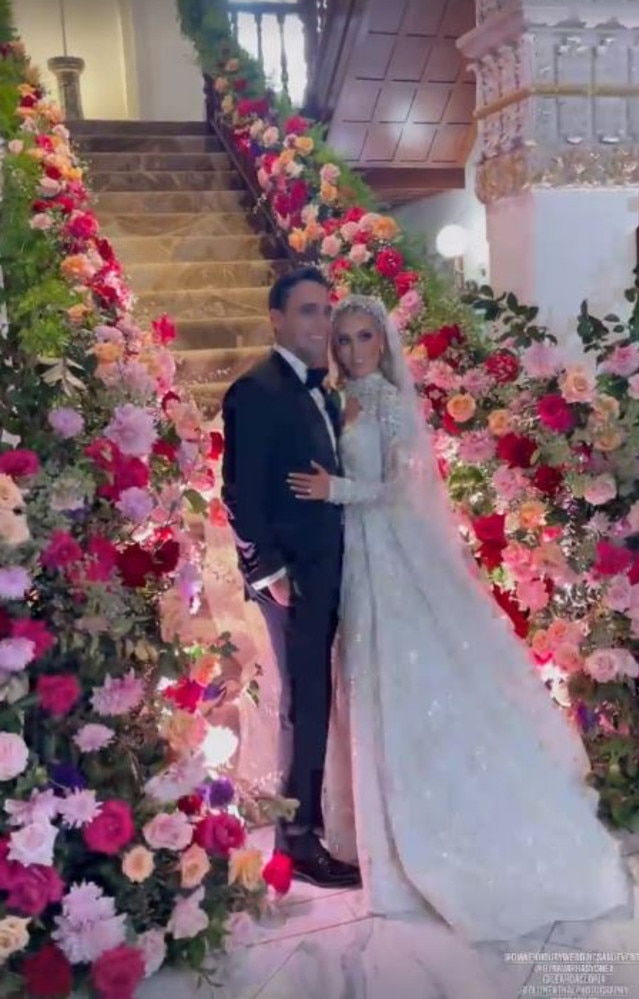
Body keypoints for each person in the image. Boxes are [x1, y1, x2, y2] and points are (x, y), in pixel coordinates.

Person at [287, 293, 631, 942]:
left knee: (406, 672)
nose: (355, 350)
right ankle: (378, 837)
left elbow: (398, 486)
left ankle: (434, 838)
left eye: (365, 338)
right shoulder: (334, 400)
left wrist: (337, 490)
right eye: (344, 341)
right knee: (365, 674)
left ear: (383, 344)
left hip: (388, 550)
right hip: (350, 554)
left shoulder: (388, 403)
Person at [220, 266, 360, 889]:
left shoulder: (320, 389)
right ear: (276, 318)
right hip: (292, 577)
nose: (320, 324)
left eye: (325, 312)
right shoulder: (257, 388)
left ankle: (314, 825)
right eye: (307, 312)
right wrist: (267, 571)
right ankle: (298, 843)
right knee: (305, 705)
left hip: (329, 566)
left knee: (319, 699)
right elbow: (239, 493)